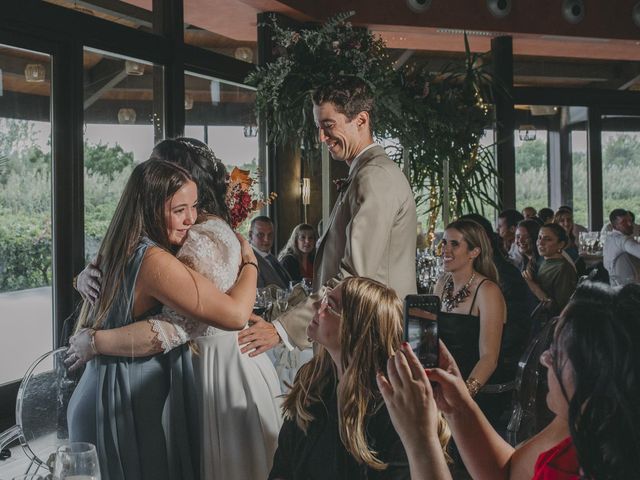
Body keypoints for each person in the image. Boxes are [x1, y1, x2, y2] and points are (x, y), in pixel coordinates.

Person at [70, 139, 282, 480]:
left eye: (194, 207)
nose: (190, 220)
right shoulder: (154, 260)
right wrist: (250, 262)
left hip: (115, 395)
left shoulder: (125, 244)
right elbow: (234, 315)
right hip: (118, 400)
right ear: (152, 206)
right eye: (179, 210)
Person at [377, 281, 640, 479]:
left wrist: (420, 438)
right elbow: (510, 472)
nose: (545, 358)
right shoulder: (580, 423)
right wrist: (458, 406)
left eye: (559, 352)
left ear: (600, 375)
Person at [242, 76, 418, 355]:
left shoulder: (375, 177)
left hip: (372, 339)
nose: (321, 138)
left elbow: (353, 279)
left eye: (328, 126)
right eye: (318, 128)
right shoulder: (366, 173)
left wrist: (282, 329)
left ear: (361, 120)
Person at [269, 277, 448, 479]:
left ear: (357, 330)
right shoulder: (312, 382)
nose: (318, 305)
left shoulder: (390, 410)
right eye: (324, 297)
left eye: (331, 305)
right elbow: (283, 466)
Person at [435, 219, 506, 399]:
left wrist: (463, 396)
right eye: (444, 242)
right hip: (441, 378)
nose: (445, 249)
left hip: (475, 386)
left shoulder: (487, 291)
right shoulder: (442, 283)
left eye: (454, 244)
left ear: (474, 252)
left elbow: (489, 359)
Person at [522, 223, 577, 319]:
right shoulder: (543, 260)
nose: (540, 242)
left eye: (547, 239)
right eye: (539, 238)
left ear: (561, 244)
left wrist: (532, 285)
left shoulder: (563, 268)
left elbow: (561, 309)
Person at [249, 215, 292, 290]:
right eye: (260, 235)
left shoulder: (270, 257)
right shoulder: (249, 260)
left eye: (270, 235)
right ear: (250, 235)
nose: (266, 239)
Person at [603, 208, 640, 286]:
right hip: (627, 291)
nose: (630, 224)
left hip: (615, 287)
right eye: (624, 222)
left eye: (630, 220)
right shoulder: (622, 240)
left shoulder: (610, 239)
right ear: (615, 226)